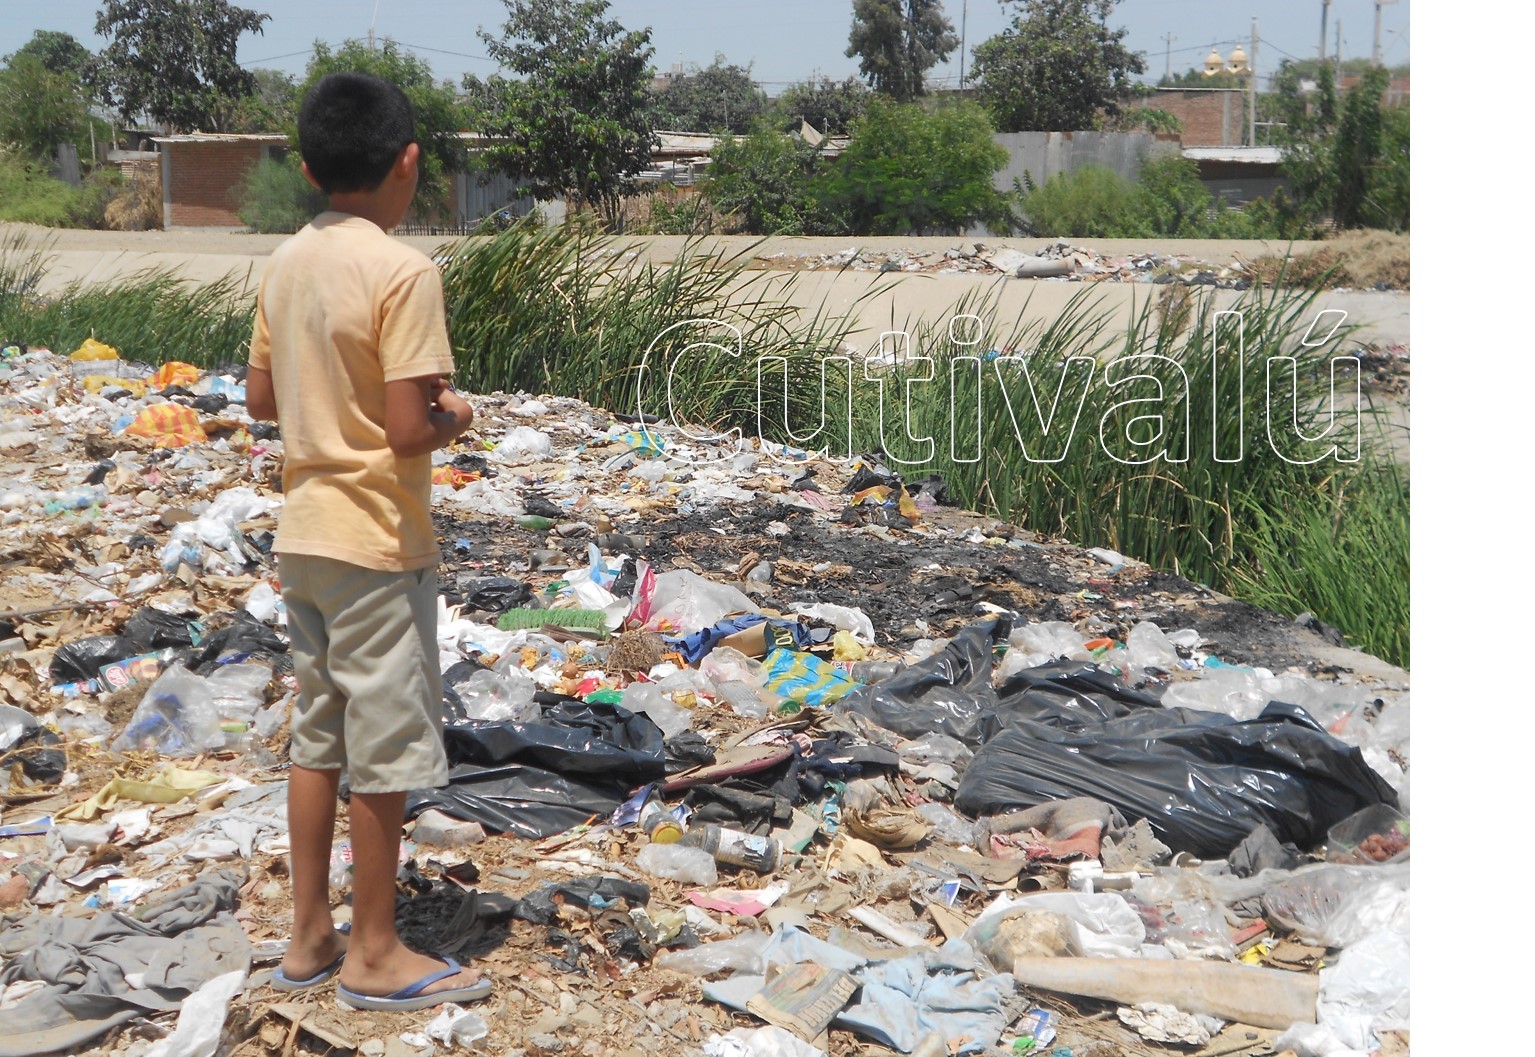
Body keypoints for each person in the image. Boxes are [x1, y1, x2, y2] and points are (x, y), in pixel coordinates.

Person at [244, 71, 490, 1013]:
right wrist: (458, 415)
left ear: (308, 169)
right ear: (408, 163)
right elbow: (407, 428)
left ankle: (310, 935)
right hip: (377, 542)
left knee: (319, 736)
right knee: (384, 747)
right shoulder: (403, 270)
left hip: (303, 535)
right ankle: (375, 952)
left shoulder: (285, 262)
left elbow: (261, 399)